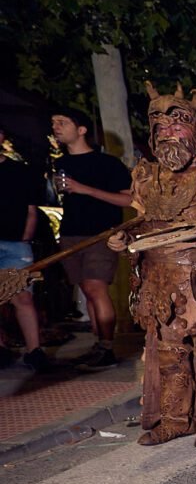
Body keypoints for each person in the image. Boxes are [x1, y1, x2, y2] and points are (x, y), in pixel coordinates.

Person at [107, 83, 196, 447]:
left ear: (195, 129)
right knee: (170, 353)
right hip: (157, 279)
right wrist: (123, 239)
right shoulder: (145, 177)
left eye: (178, 125)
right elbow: (140, 223)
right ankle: (175, 420)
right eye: (161, 128)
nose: (169, 133)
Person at [50, 108, 132, 369]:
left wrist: (83, 189)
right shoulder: (60, 163)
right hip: (71, 232)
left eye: (62, 122)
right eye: (53, 123)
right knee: (87, 291)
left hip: (101, 233)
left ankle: (108, 348)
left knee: (97, 288)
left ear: (81, 129)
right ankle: (99, 345)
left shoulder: (107, 163)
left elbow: (128, 198)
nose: (56, 126)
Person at [0, 126, 51, 372]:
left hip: (14, 244)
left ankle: (34, 350)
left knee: (22, 295)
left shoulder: (19, 171)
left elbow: (32, 209)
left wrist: (25, 239)